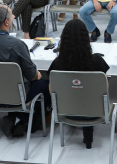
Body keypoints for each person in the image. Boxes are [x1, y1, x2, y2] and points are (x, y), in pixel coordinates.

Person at [0, 4, 49, 137]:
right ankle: (24, 120)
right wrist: (37, 74)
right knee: (45, 83)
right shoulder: (16, 45)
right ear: (6, 22)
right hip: (16, 97)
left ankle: (16, 118)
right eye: (11, 16)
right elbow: (32, 75)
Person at [47, 19, 110, 149]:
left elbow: (51, 90)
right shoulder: (96, 61)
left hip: (66, 111)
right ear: (86, 38)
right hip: (95, 111)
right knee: (88, 96)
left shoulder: (57, 64)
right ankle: (88, 135)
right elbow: (105, 89)